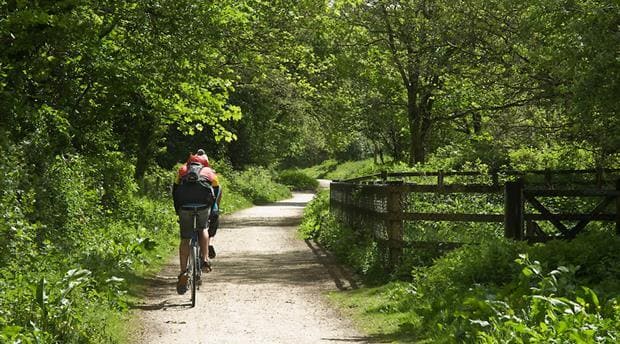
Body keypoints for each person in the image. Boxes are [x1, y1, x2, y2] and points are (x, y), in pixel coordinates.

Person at [172, 149, 222, 294]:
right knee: (203, 229)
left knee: (185, 239)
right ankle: (205, 259)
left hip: (185, 207)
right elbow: (216, 193)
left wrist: (178, 210)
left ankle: (183, 273)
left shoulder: (182, 170)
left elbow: (175, 192)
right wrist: (212, 210)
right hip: (202, 207)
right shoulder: (209, 172)